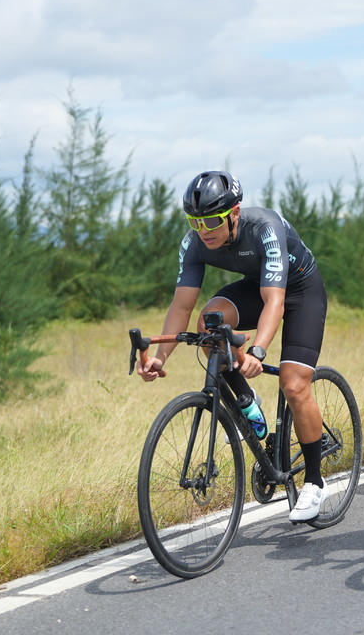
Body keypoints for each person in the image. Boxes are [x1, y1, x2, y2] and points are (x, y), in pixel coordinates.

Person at [136, 170, 331, 523]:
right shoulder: (193, 242)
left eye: (212, 220)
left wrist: (258, 350)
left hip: (300, 291)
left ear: (235, 213)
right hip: (255, 287)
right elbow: (181, 306)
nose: (204, 229)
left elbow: (275, 300)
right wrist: (160, 356)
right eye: (195, 221)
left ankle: (315, 483)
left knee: (293, 384)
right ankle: (245, 399)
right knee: (209, 322)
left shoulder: (265, 227)